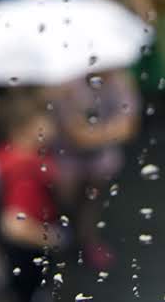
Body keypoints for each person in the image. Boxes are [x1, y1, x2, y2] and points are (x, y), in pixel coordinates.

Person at [50, 69, 140, 271]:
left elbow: (129, 126)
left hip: (99, 155)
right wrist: (109, 131)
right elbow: (74, 133)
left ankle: (86, 239)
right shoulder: (67, 85)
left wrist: (93, 134)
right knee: (66, 197)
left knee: (93, 198)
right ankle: (64, 236)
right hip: (65, 156)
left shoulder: (120, 81)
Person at [0, 95, 65, 302]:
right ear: (22, 130)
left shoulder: (16, 159)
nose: (52, 125)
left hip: (24, 243)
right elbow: (13, 223)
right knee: (29, 289)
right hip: (28, 245)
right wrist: (53, 238)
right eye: (44, 121)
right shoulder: (25, 170)